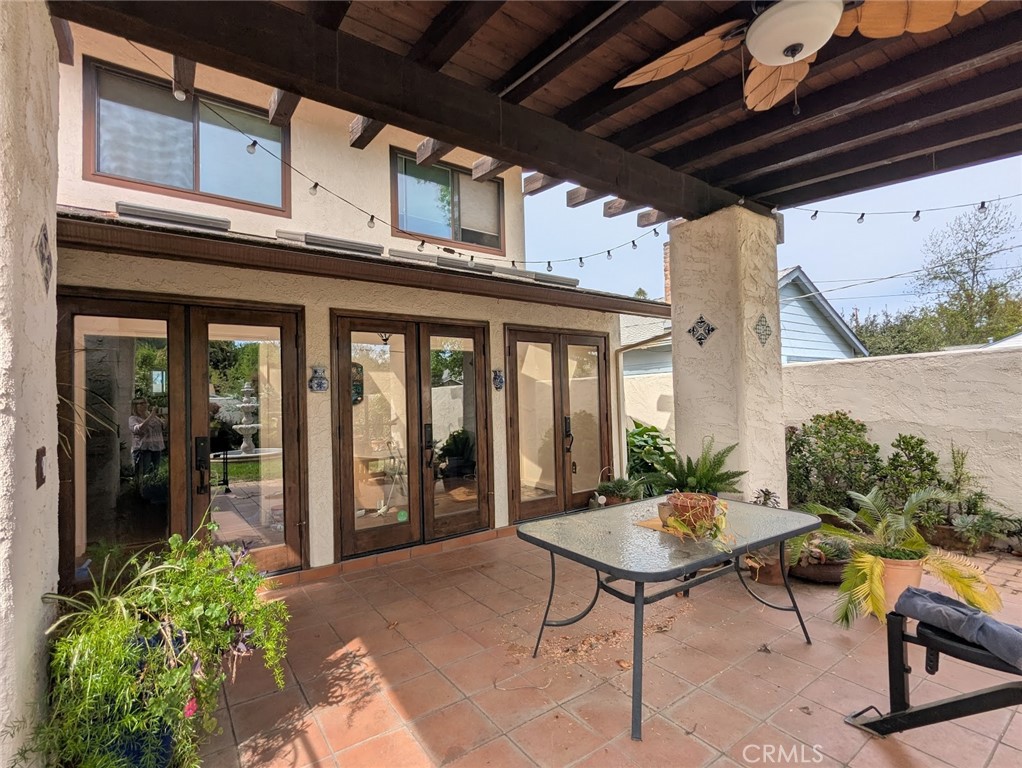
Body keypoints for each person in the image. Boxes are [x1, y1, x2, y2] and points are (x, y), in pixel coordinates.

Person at [129, 397, 165, 477]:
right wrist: (151, 416)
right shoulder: (133, 418)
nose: (144, 405)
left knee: (155, 473)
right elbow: (138, 429)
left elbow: (163, 426)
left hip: (156, 447)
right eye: (141, 403)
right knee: (145, 474)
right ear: (135, 406)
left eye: (145, 403)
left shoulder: (152, 416)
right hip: (143, 449)